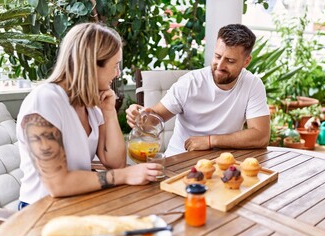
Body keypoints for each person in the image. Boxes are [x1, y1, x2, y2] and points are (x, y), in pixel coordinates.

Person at [16, 23, 163, 209]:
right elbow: (58, 184)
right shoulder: (44, 101)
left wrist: (109, 111)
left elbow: (115, 162)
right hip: (41, 211)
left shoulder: (91, 106)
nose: (117, 74)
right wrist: (125, 176)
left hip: (80, 203)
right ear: (91, 65)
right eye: (115, 66)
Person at [126, 24, 270, 156]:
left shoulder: (252, 84)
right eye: (217, 56)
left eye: (230, 61)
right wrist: (139, 116)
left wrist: (210, 141)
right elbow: (155, 118)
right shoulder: (190, 82)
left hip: (222, 163)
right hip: (180, 159)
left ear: (246, 61)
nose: (220, 65)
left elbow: (261, 136)